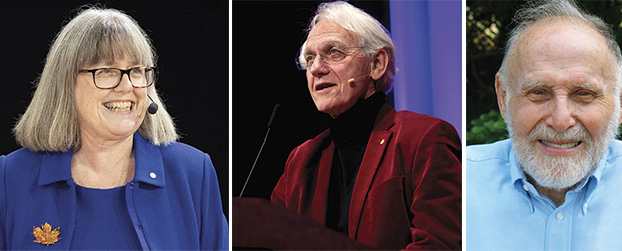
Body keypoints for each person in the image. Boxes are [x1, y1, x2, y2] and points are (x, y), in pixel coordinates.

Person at [0, 7, 228, 250]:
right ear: (65, 83)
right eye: (107, 71)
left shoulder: (193, 172)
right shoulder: (11, 177)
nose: (127, 86)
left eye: (137, 71)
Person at [270, 1, 461, 250]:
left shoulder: (424, 138)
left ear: (376, 64)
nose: (316, 68)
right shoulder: (300, 161)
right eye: (310, 58)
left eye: (334, 52)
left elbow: (439, 244)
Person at [467, 0, 622, 249]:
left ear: (621, 100)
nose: (561, 121)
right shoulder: (460, 182)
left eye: (584, 93)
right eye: (538, 92)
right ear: (503, 97)